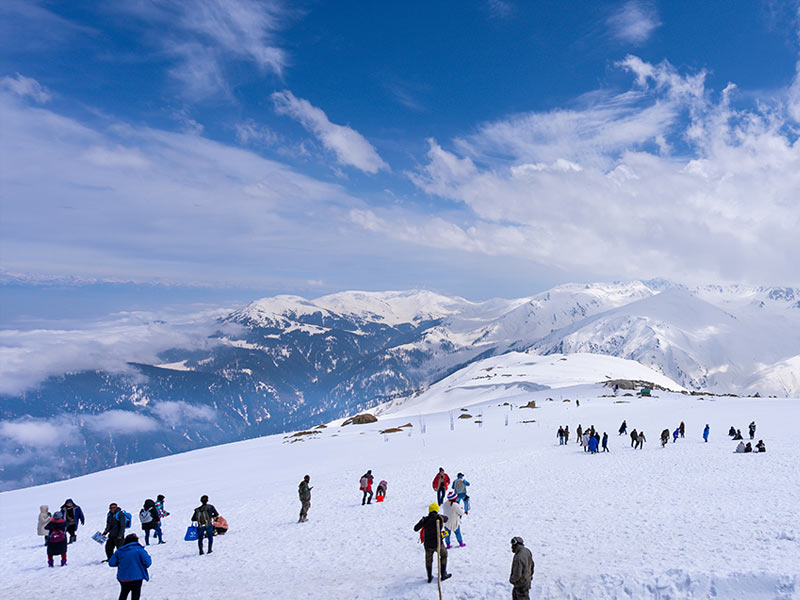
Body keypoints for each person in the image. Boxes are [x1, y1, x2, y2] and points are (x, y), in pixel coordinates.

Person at [413, 503, 451, 583]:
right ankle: (443, 574)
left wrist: (422, 522)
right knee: (444, 555)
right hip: (438, 543)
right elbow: (446, 518)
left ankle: (429, 576)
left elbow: (416, 528)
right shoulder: (439, 518)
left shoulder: (425, 519)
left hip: (428, 544)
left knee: (428, 560)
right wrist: (440, 516)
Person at [109, 533, 152, 600]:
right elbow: (148, 563)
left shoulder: (120, 551)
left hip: (123, 577)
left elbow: (111, 563)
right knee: (135, 595)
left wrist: (121, 563)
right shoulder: (140, 550)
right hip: (137, 577)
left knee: (124, 593)